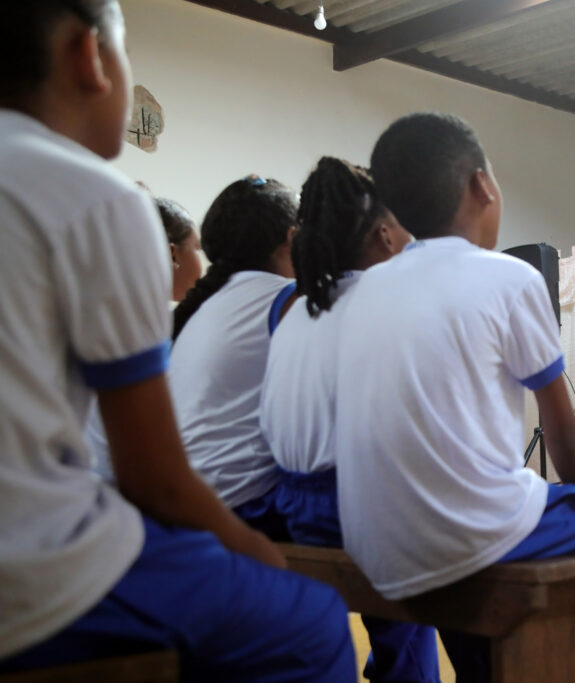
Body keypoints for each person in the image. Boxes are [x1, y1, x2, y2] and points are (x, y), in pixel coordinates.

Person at [0, 1, 355, 679]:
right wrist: (259, 555)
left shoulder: (207, 304)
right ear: (89, 57)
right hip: (34, 574)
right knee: (310, 620)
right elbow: (155, 480)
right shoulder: (97, 199)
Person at [328, 112, 575, 683]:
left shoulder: (360, 292)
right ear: (482, 186)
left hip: (372, 538)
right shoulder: (508, 278)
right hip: (469, 533)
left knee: (477, 570)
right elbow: (563, 429)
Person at [260, 157, 440, 683]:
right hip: (363, 511)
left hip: (293, 507)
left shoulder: (292, 307)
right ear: (385, 234)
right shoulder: (395, 300)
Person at [169, 175, 300, 538]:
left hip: (187, 502)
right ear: (292, 238)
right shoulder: (287, 296)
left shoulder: (205, 304)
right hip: (242, 506)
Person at [85, 195, 203, 482]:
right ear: (174, 255)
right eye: (197, 250)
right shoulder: (148, 329)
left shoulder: (103, 313)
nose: (202, 265)